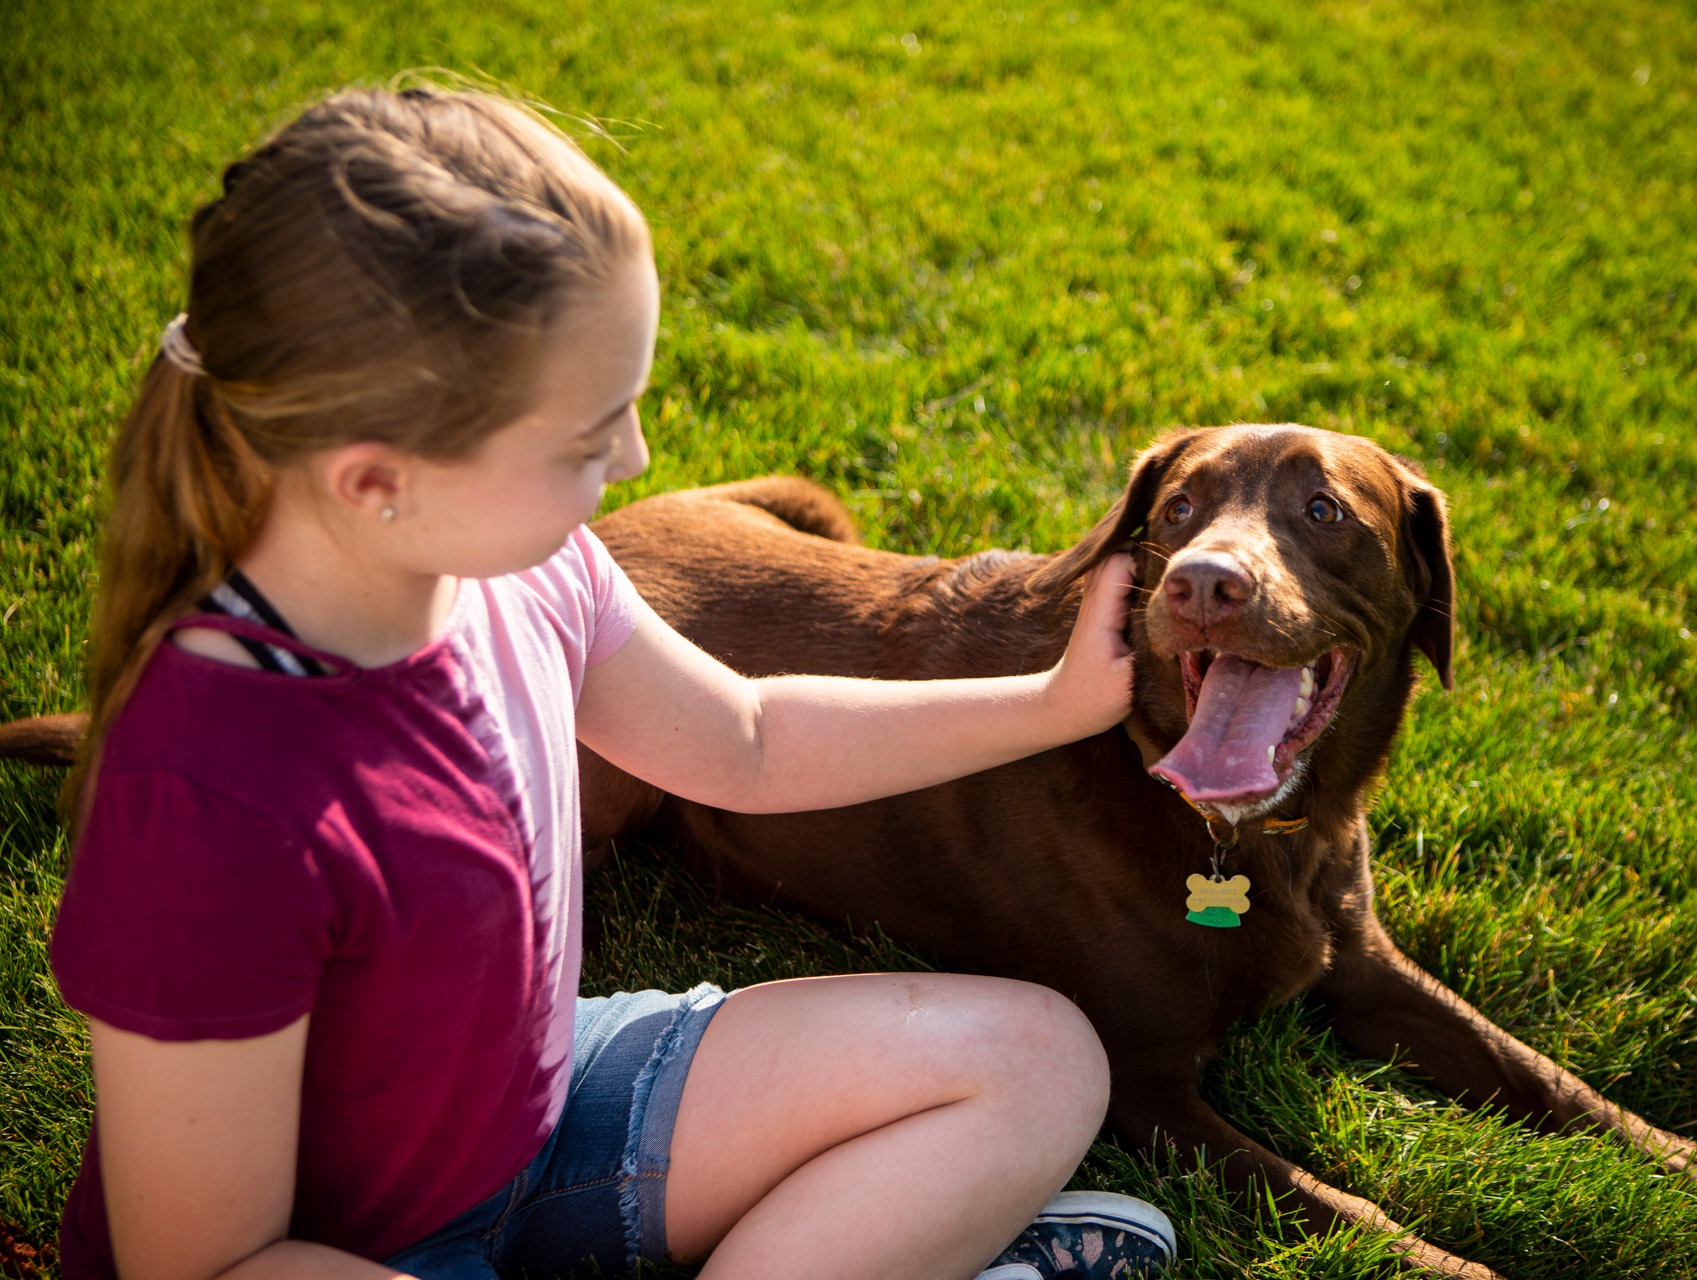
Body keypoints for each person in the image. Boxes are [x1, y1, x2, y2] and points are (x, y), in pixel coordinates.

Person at [48, 84, 1176, 1280]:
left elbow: (745, 737)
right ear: (378, 479)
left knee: (1042, 1058)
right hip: (333, 1252)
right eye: (587, 438)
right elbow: (208, 1263)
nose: (634, 459)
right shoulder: (213, 800)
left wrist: (1049, 701)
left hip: (536, 1120)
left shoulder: (526, 571)